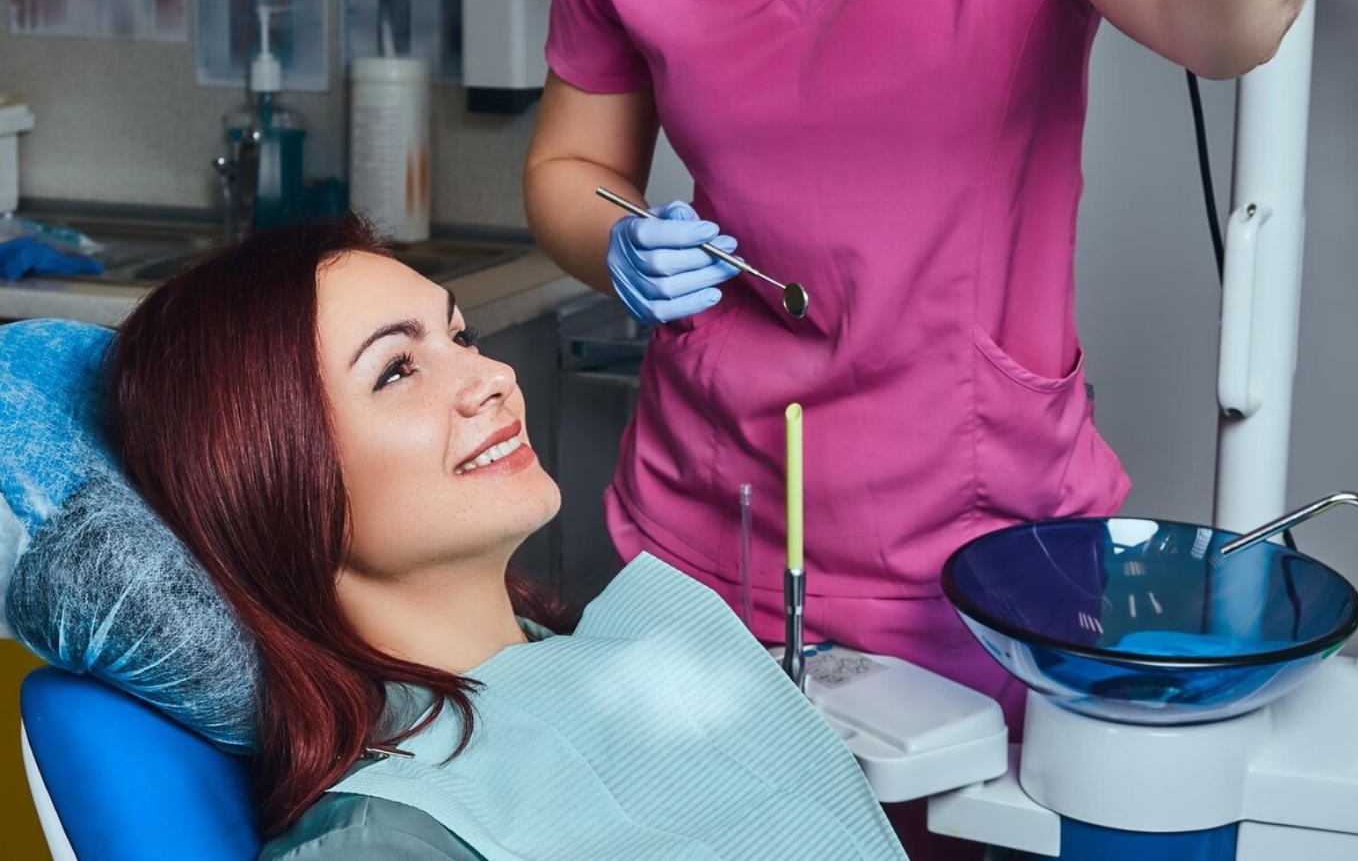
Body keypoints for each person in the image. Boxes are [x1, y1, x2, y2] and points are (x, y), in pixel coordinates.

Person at [524, 0, 1315, 852]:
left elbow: (1224, 34)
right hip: (714, 514)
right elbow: (571, 165)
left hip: (971, 533)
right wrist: (618, 243)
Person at [109, 216, 908, 861]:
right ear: (273, 483)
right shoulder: (389, 839)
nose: (489, 377)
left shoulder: (628, 669)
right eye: (396, 370)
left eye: (461, 336)